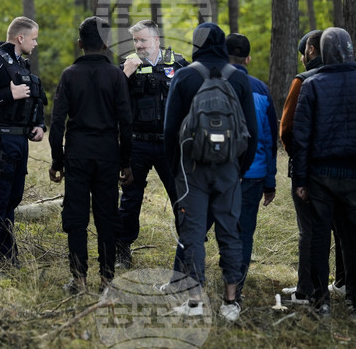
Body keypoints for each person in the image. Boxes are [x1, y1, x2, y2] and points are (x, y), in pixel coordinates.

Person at [163, 23, 258, 322]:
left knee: (192, 233)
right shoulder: (239, 78)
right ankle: (231, 301)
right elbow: (251, 132)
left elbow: (169, 130)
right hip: (229, 169)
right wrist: (239, 168)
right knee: (231, 232)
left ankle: (195, 303)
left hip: (192, 170)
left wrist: (175, 169)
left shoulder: (184, 76)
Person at [291, 28, 356, 321]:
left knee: (319, 240)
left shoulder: (314, 84)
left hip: (320, 176)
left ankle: (322, 303)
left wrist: (301, 180)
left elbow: (301, 138)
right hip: (355, 175)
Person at [49, 17, 134, 294]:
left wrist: (57, 161)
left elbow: (57, 123)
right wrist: (125, 162)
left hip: (77, 155)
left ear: (80, 43)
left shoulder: (69, 75)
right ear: (107, 44)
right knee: (107, 215)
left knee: (76, 216)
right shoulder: (117, 76)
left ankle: (79, 279)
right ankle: (107, 280)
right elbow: (126, 122)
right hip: (108, 156)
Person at [0, 17, 47, 266]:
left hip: (19, 141)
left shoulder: (22, 65)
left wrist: (39, 126)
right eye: (33, 38)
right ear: (20, 38)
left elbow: (32, 101)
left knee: (13, 199)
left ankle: (7, 255)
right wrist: (7, 94)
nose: (35, 43)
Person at [115, 20, 187, 269]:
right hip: (137, 144)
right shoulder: (127, 64)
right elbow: (112, 99)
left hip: (170, 144)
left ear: (156, 40)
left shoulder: (178, 64)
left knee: (181, 196)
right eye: (135, 41)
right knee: (130, 198)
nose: (139, 45)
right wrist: (125, 73)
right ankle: (122, 248)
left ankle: (188, 247)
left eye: (143, 40)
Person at [224, 33, 278, 301]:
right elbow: (269, 138)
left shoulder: (211, 83)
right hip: (253, 175)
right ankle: (236, 288)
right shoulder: (260, 89)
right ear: (248, 58)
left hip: (217, 172)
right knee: (243, 233)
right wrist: (270, 180)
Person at [278, 29, 322, 304]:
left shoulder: (303, 80)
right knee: (344, 231)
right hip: (348, 169)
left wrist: (296, 155)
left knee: (308, 230)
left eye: (303, 53)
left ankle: (306, 288)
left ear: (311, 51)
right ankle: (346, 285)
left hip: (308, 168)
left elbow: (287, 127)